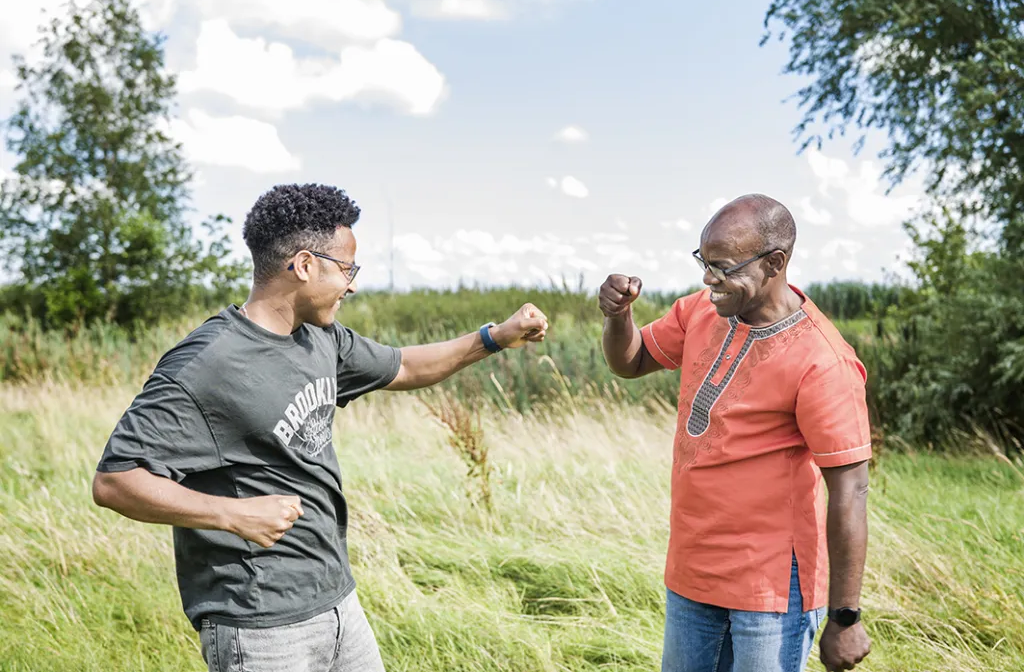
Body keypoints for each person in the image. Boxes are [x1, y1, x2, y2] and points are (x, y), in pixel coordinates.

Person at [91, 183, 548, 672]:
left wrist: (496, 337)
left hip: (338, 603)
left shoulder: (321, 339)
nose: (352, 284)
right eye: (347, 269)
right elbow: (115, 481)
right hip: (258, 623)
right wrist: (233, 515)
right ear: (305, 265)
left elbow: (406, 367)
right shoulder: (207, 363)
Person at [599, 194, 872, 672]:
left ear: (774, 263)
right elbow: (631, 360)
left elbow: (850, 490)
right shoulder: (700, 312)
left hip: (770, 590)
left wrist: (845, 617)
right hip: (692, 572)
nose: (709, 280)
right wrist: (619, 317)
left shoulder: (823, 361)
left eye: (722, 267)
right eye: (704, 262)